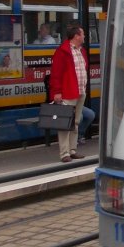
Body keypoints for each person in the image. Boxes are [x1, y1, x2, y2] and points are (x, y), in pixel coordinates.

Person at [49, 25, 89, 163]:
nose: (84, 36)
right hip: (68, 91)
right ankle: (64, 153)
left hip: (80, 91)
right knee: (65, 123)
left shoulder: (81, 51)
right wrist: (56, 92)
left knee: (75, 122)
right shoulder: (62, 52)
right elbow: (56, 74)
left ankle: (73, 150)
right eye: (82, 34)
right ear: (76, 36)